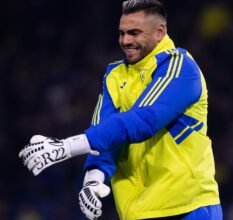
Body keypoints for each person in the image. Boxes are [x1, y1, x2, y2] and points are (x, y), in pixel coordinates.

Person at [18, 0, 222, 219]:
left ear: (159, 32)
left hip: (188, 208)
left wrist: (66, 147)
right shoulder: (115, 75)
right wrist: (93, 180)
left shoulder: (180, 67)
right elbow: (104, 132)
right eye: (122, 33)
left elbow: (144, 121)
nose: (126, 41)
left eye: (134, 33)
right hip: (137, 212)